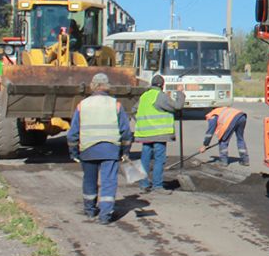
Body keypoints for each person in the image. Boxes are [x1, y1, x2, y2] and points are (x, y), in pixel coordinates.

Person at [67, 73, 133, 225]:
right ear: (107, 86)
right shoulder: (115, 104)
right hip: (110, 149)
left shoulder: (82, 105)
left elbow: (72, 134)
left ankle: (90, 210)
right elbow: (126, 131)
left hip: (88, 149)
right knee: (108, 182)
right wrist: (125, 151)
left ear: (93, 85)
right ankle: (105, 215)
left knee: (89, 180)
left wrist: (74, 152)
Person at [133, 74, 183, 193]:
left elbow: (134, 110)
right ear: (162, 85)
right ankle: (157, 185)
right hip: (159, 134)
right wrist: (180, 93)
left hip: (145, 134)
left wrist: (143, 122)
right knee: (159, 159)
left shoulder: (144, 96)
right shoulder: (160, 96)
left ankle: (144, 184)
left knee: (145, 159)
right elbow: (177, 106)